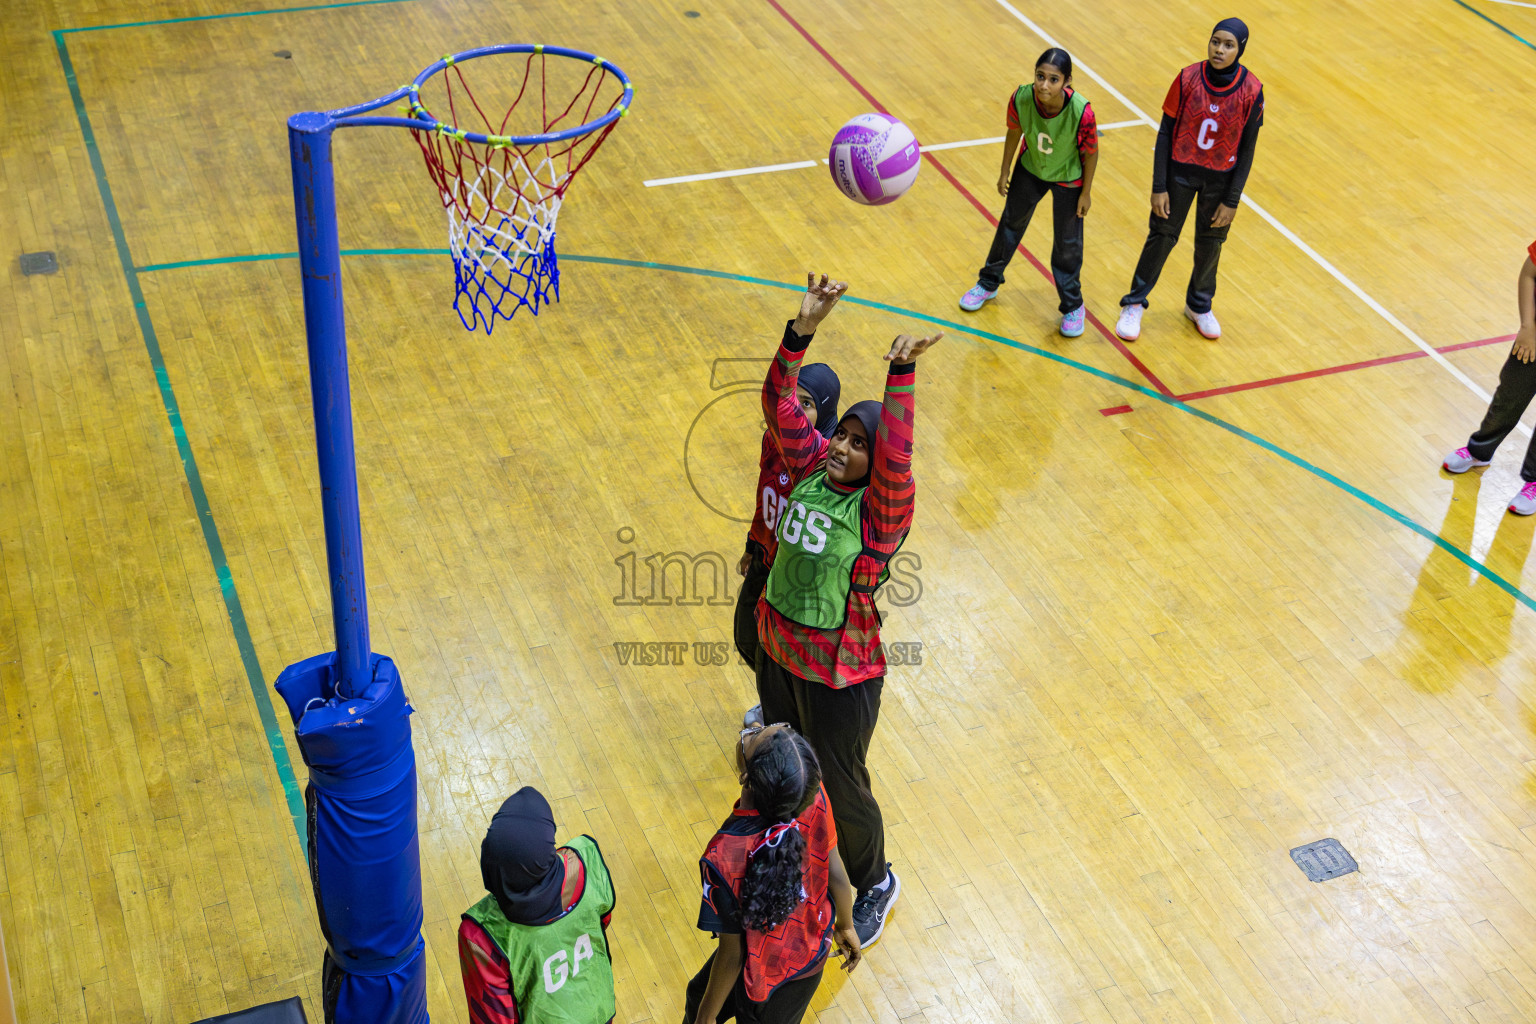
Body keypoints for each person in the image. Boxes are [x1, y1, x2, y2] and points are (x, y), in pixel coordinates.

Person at [755, 273, 940, 946]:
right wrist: (800, 331)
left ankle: (875, 881)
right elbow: (778, 403)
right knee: (783, 769)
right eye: (843, 436)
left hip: (841, 677)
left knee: (840, 783)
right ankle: (795, 856)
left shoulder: (878, 513)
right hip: (780, 656)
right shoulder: (810, 467)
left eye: (861, 444)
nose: (842, 447)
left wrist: (901, 377)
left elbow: (898, 461)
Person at [685, 722, 861, 1024]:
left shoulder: (724, 855)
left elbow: (732, 955)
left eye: (753, 735)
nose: (755, 726)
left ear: (747, 778)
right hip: (806, 957)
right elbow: (836, 873)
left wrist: (706, 1018)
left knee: (703, 1005)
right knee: (697, 993)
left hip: (764, 977)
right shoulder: (811, 794)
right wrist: (846, 925)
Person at [1115, 18, 1264, 342]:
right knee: (1161, 236)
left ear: (1240, 49)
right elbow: (1165, 133)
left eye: (1228, 45)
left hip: (1220, 182)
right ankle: (1134, 303)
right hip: (1179, 174)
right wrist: (1159, 186)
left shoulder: (1252, 90)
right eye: (1215, 41)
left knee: (1211, 244)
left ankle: (1198, 305)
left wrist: (1232, 199)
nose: (1219, 50)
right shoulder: (1187, 78)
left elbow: (1248, 149)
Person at [959, 48, 1099, 337]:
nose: (1044, 85)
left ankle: (1073, 306)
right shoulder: (1021, 97)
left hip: (1069, 178)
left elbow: (1091, 153)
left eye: (1053, 79)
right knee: (1010, 226)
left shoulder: (1082, 112)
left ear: (1067, 82)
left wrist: (1086, 193)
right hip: (1031, 168)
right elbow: (1014, 131)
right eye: (1040, 76)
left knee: (1067, 244)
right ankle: (988, 283)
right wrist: (1004, 171)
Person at [459, 788, 616, 1024]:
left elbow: (493, 1017)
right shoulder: (587, 861)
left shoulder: (481, 934)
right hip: (598, 1012)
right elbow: (602, 920)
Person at [737, 364, 841, 720]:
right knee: (746, 636)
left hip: (795, 580)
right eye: (791, 400)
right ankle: (777, 700)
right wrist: (753, 544)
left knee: (781, 655)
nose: (795, 410)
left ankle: (784, 712)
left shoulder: (825, 465)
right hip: (766, 557)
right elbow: (765, 495)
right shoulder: (772, 440)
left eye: (806, 404)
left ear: (825, 412)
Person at [1442, 243, 1536, 515]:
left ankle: (1534, 482)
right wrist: (1527, 327)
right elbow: (1529, 273)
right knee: (1508, 398)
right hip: (1533, 341)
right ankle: (1479, 452)